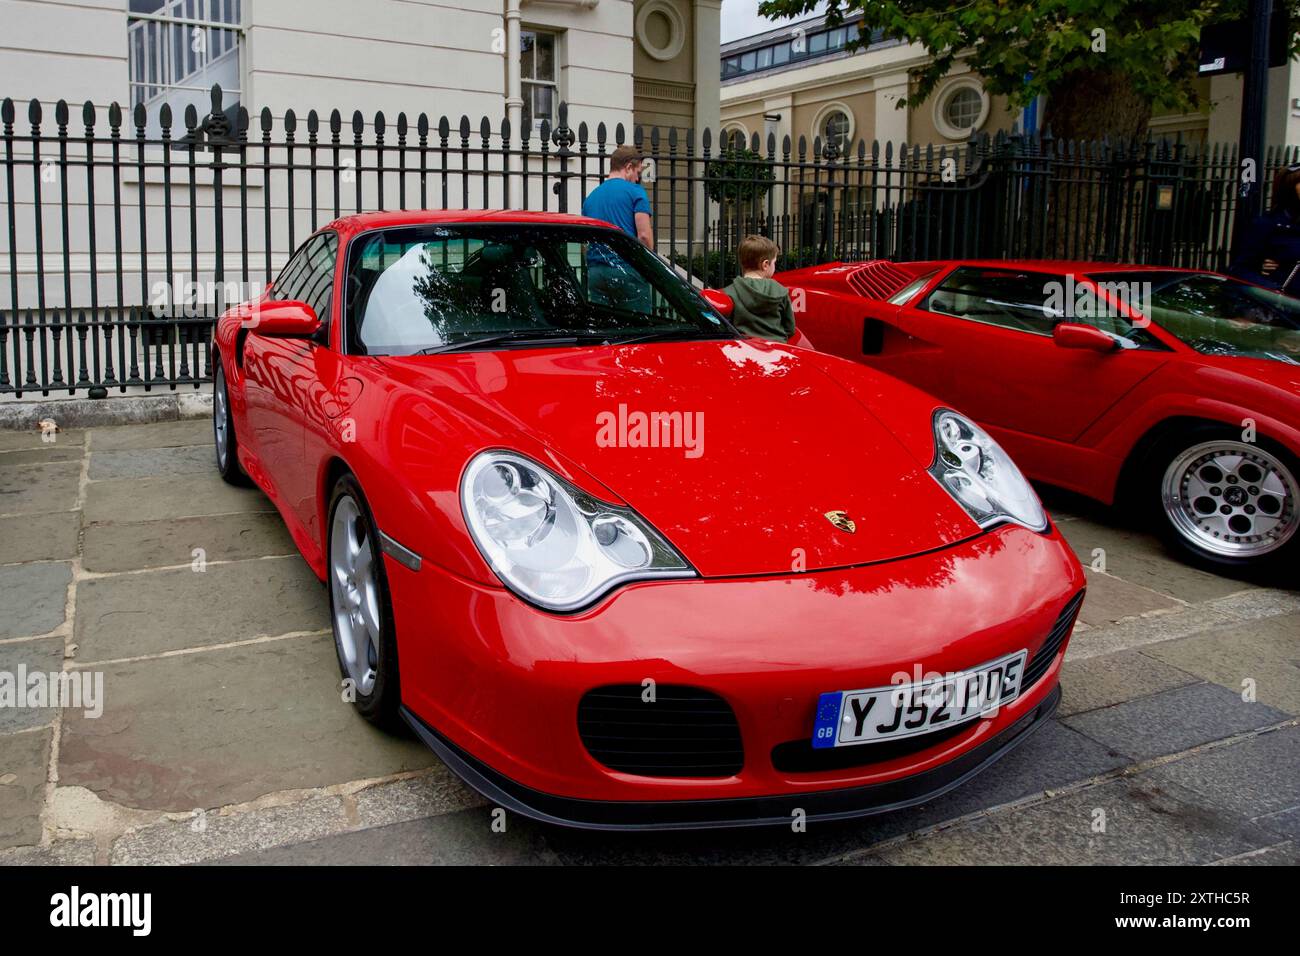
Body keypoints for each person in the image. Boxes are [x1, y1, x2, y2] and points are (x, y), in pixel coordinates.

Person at [1228, 164, 1300, 296]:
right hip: (1285, 306)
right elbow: (1240, 269)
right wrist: (1272, 289)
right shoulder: (1267, 224)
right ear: (1289, 189)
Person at [723, 235, 796, 342]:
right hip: (777, 349)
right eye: (774, 262)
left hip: (745, 350)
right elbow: (790, 329)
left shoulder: (730, 292)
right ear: (765, 264)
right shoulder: (780, 291)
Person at [582, 146, 653, 248]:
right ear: (629, 168)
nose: (637, 178)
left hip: (595, 262)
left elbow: (586, 241)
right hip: (625, 262)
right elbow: (644, 236)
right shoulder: (636, 191)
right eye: (637, 173)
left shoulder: (590, 199)